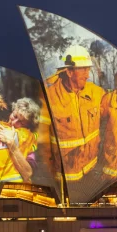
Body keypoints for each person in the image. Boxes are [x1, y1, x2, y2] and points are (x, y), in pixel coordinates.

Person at [44, 45, 105, 186]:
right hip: (65, 179)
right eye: (83, 69)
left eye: (88, 69)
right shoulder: (49, 97)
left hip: (90, 171)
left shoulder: (96, 92)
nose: (88, 75)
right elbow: (42, 144)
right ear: (70, 71)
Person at [0, 97, 39, 193]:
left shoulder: (27, 138)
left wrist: (12, 145)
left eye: (21, 122)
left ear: (28, 127)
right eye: (15, 116)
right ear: (12, 111)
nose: (14, 122)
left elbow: (28, 173)